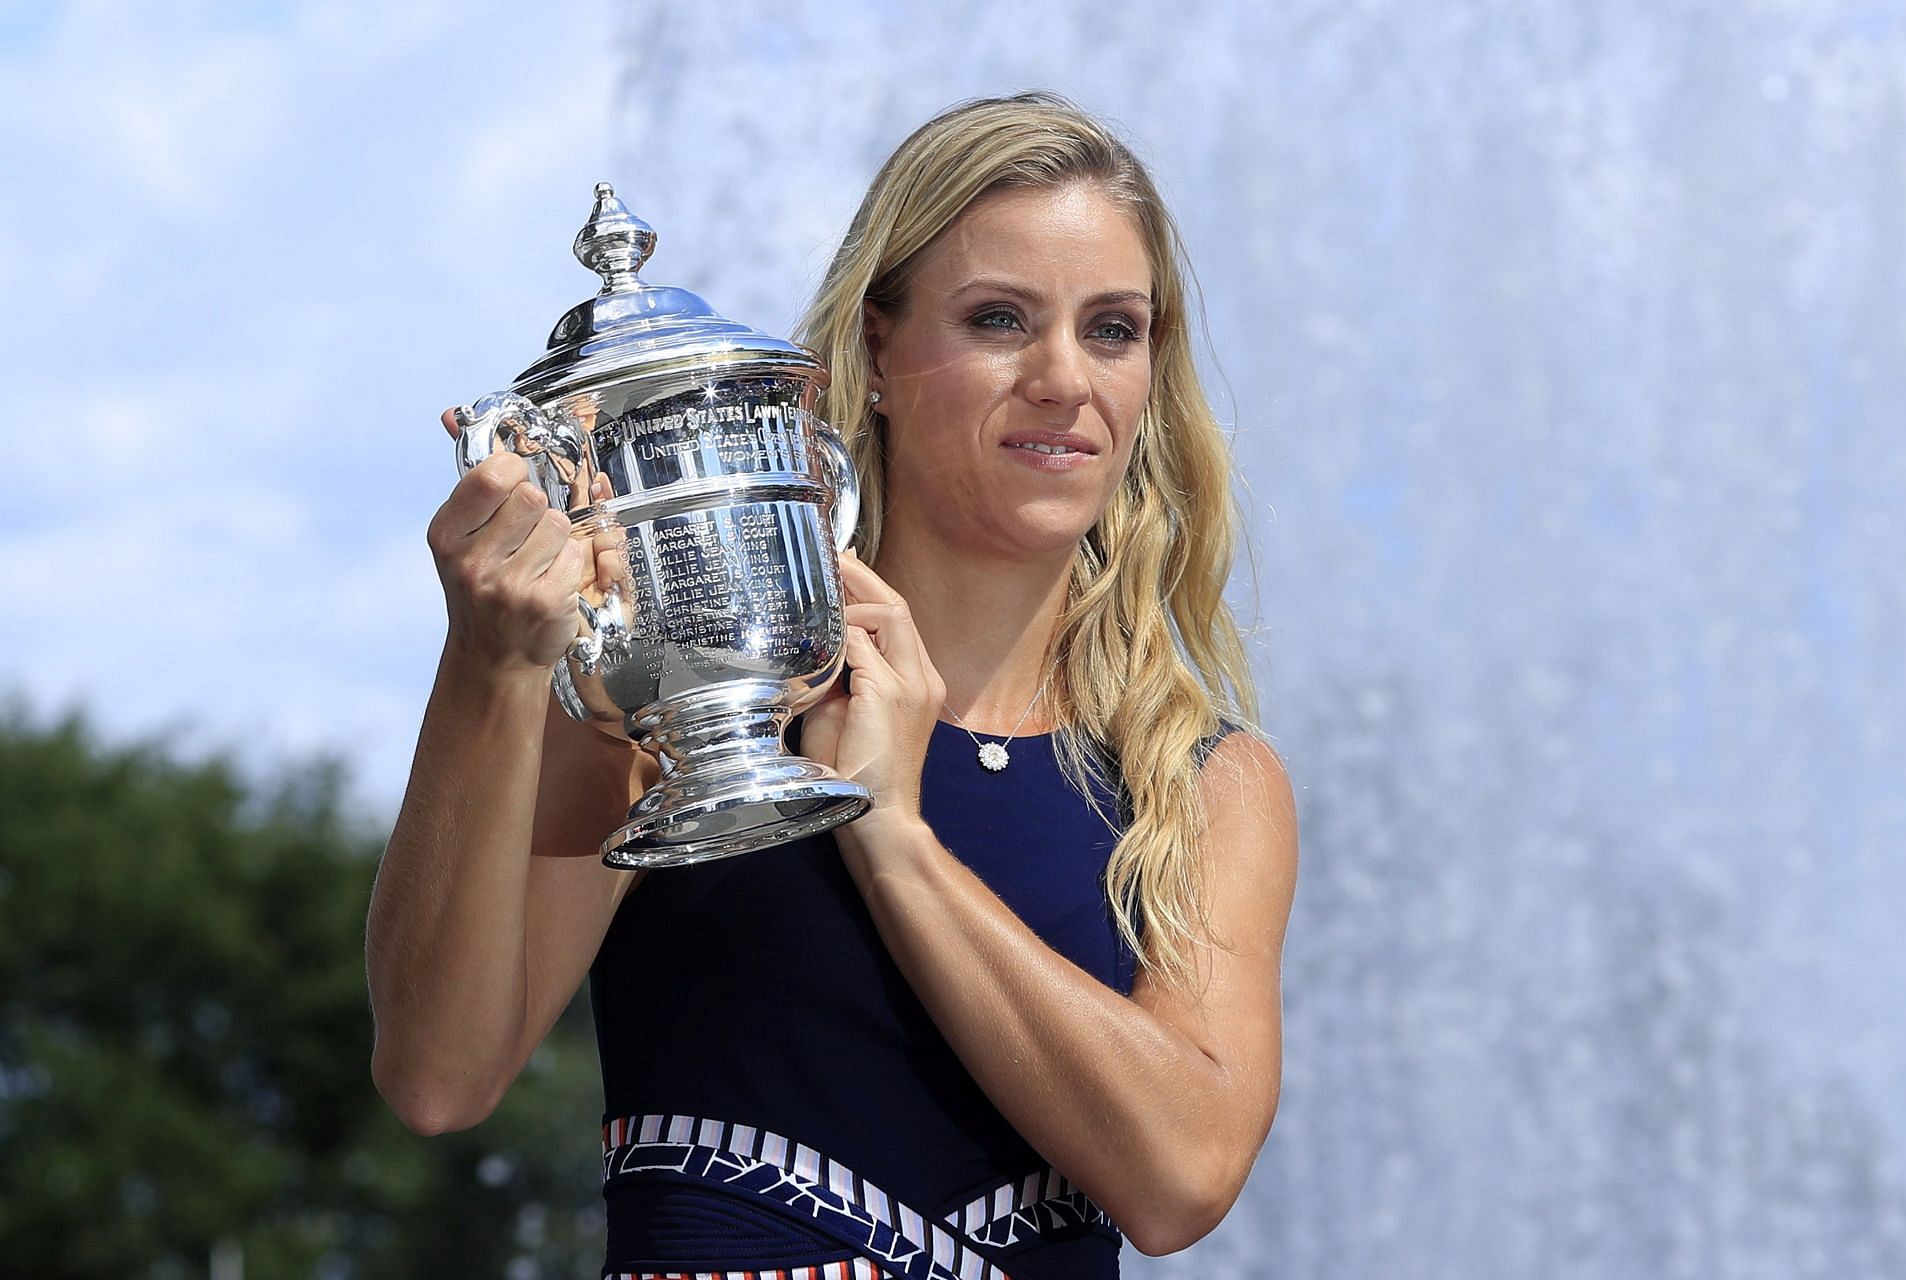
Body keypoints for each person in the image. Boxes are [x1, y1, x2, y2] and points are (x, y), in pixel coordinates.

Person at [367, 91, 1298, 1280]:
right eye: (1001, 318)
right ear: (879, 354)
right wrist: (488, 668)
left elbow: (1180, 1179)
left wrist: (894, 832)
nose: (1066, 376)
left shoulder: (1206, 781)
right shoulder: (672, 707)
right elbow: (440, 1073)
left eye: (1114, 328)